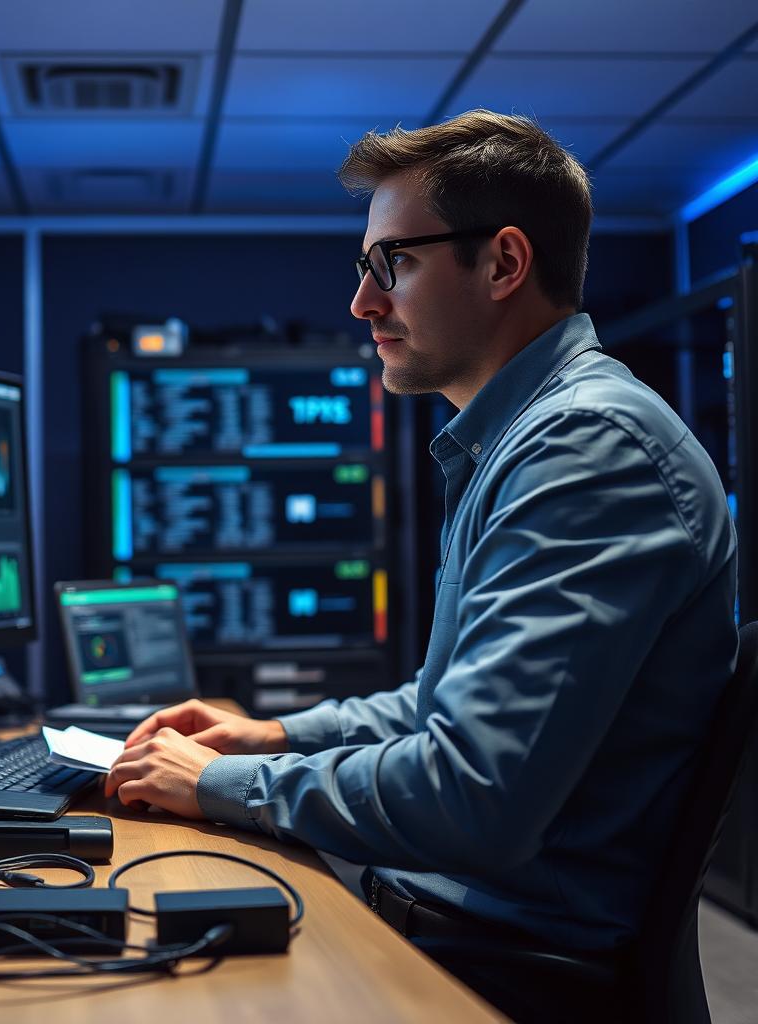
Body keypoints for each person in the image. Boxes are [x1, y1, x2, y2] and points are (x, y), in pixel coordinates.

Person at [103, 110, 738, 1020]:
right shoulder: (526, 440)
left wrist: (218, 785)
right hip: (467, 933)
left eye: (390, 264)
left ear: (504, 264)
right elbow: (444, 707)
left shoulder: (588, 446)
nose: (363, 304)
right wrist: (272, 738)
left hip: (506, 973)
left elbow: (473, 793)